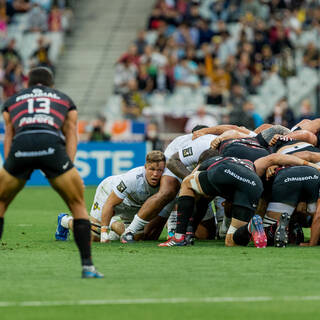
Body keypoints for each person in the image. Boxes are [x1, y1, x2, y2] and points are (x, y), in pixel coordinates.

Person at [0, 67, 103, 278]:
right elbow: (71, 133)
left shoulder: (13, 101)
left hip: (21, 146)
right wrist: (69, 165)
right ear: (51, 85)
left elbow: (9, 134)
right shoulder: (64, 99)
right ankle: (88, 267)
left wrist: (11, 164)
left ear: (28, 84)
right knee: (77, 206)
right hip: (51, 146)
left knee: (0, 204)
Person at [159, 153, 320, 248]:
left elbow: (192, 183)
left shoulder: (213, 161)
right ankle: (252, 226)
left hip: (224, 170)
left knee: (188, 183)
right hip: (254, 184)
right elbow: (275, 157)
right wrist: (309, 164)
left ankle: (179, 237)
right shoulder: (252, 164)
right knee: (231, 240)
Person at [55, 151, 166, 242]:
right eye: (152, 169)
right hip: (108, 192)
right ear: (145, 167)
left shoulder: (166, 181)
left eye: (159, 170)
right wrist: (103, 232)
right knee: (94, 236)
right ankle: (65, 220)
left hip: (134, 205)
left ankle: (112, 223)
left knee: (138, 238)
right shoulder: (132, 178)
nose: (155, 174)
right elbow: (110, 203)